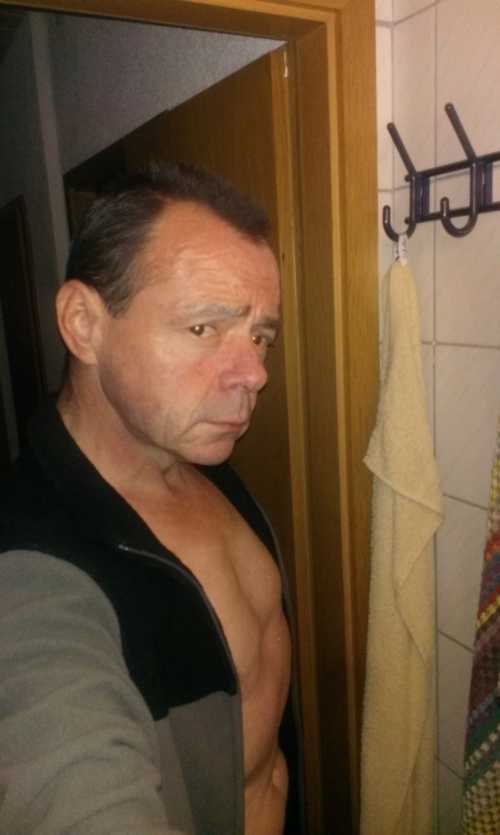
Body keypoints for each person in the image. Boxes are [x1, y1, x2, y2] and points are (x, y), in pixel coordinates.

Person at [0, 164, 304, 835]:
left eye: (260, 336)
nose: (255, 373)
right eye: (204, 329)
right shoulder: (30, 572)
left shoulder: (202, 463)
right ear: (84, 324)